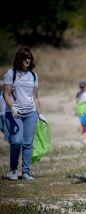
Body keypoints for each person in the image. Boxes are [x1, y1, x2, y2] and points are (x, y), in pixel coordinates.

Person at [3, 47, 47, 180]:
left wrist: (39, 114)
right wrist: (12, 108)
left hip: (31, 113)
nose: (27, 60)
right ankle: (12, 170)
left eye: (29, 58)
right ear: (19, 59)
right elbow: (6, 94)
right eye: (25, 58)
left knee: (28, 143)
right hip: (14, 113)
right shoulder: (11, 74)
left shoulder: (33, 75)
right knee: (16, 141)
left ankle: (26, 172)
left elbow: (35, 97)